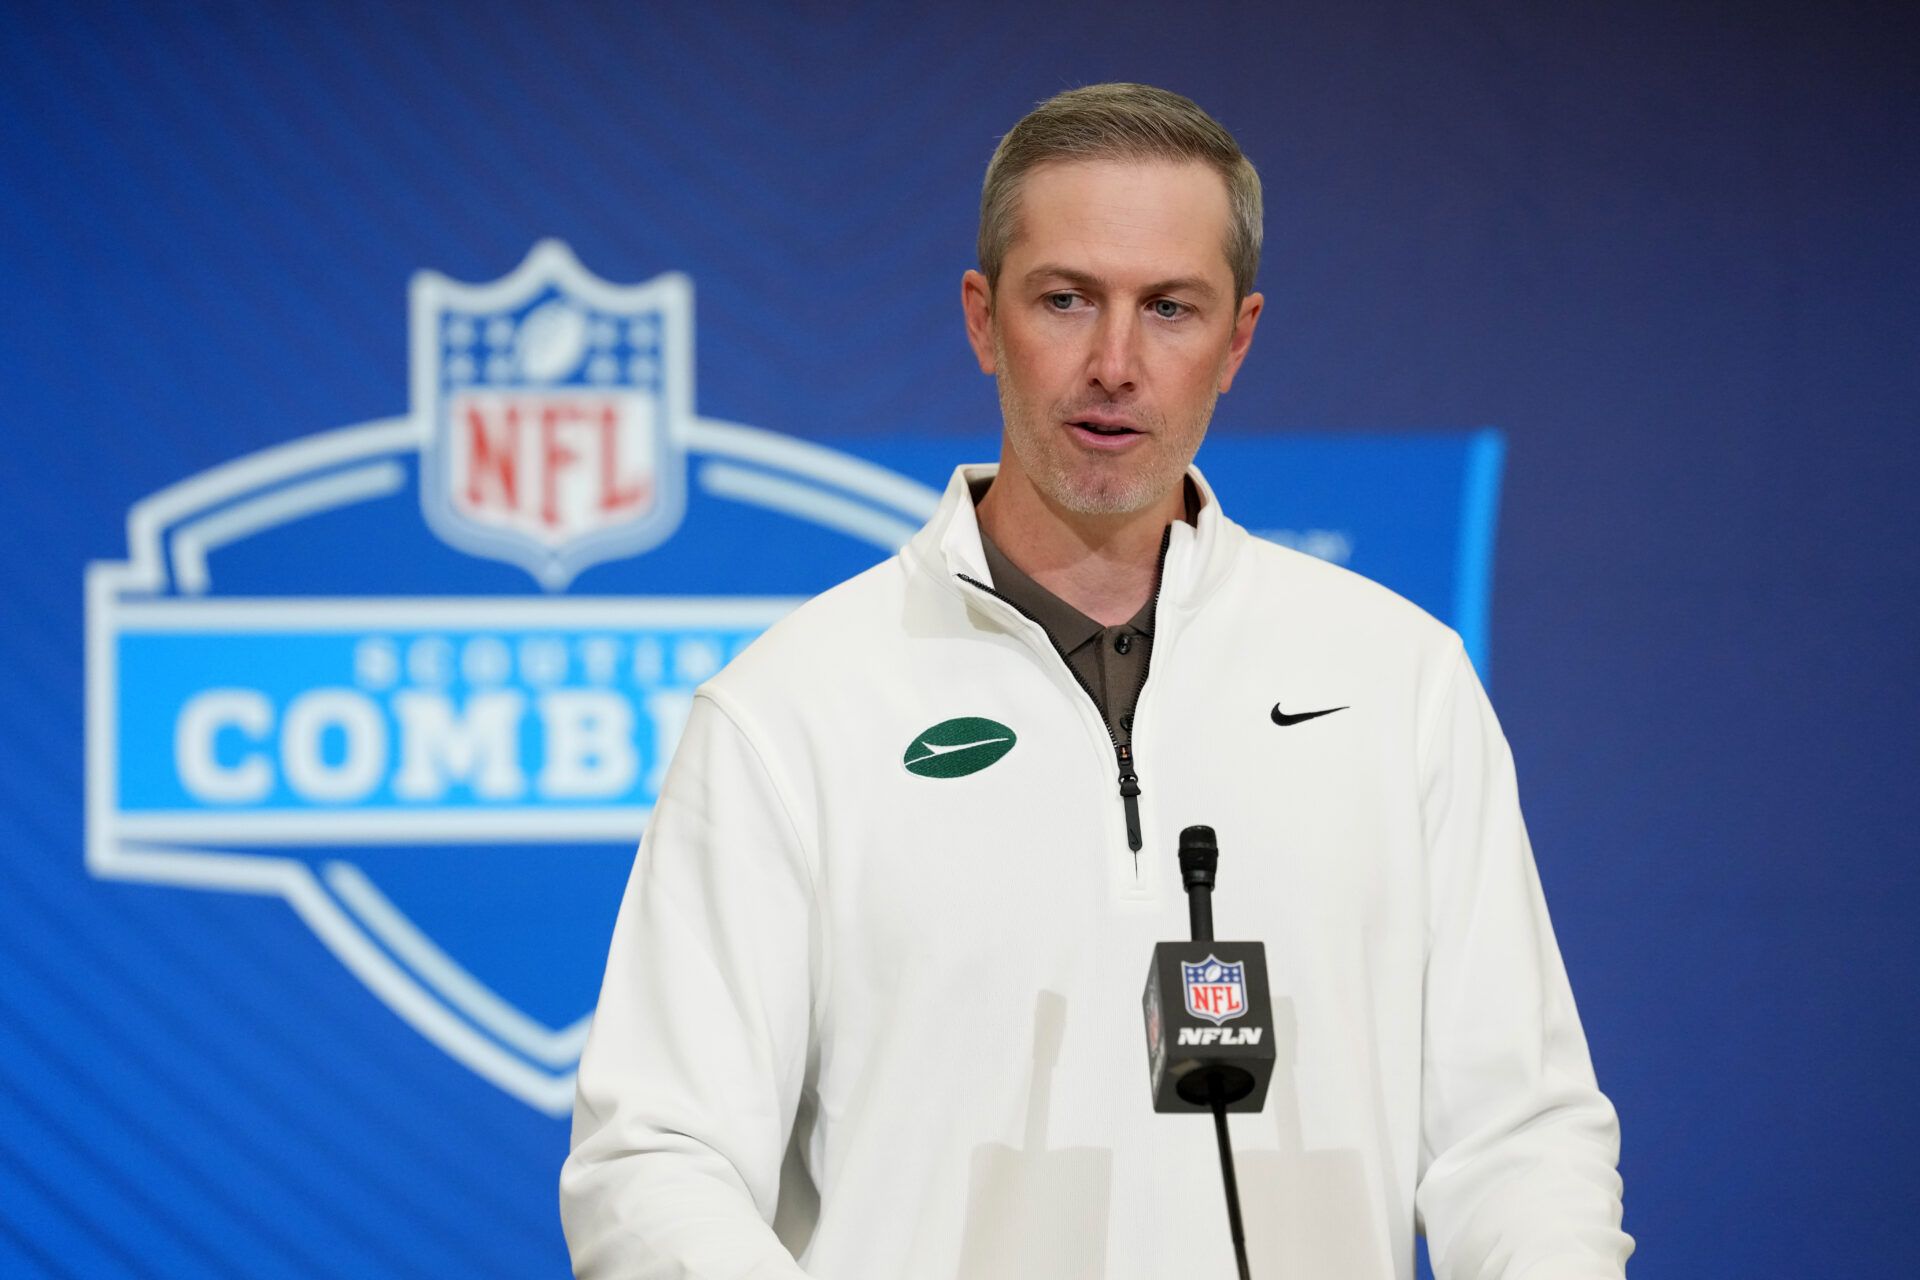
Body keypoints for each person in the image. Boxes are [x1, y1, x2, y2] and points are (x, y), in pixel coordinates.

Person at [561, 83, 1631, 1279]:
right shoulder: (794, 709)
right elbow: (653, 1159)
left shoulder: (1397, 679)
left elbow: (1517, 1135)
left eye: (1169, 308)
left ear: (1239, 340)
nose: (1114, 362)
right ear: (981, 319)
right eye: (1066, 299)